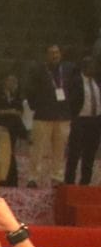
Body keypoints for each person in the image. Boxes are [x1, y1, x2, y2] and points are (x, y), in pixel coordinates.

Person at [26, 44, 79, 188]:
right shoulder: (38, 70)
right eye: (51, 53)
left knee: (60, 149)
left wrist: (69, 108)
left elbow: (75, 90)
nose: (55, 55)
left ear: (61, 54)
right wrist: (36, 105)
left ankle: (57, 176)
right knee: (38, 148)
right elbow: (30, 90)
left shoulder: (68, 70)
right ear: (46, 55)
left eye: (57, 52)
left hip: (63, 115)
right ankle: (33, 177)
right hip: (43, 114)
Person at [0, 74, 27, 187]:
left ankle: (11, 179)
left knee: (10, 151)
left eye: (15, 82)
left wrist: (13, 112)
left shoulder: (17, 97)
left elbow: (20, 111)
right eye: (11, 81)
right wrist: (10, 111)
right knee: (1, 151)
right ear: (5, 82)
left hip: (13, 127)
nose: (13, 84)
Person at [65, 57, 101, 186]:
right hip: (80, 120)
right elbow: (70, 100)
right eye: (91, 66)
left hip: (95, 121)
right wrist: (73, 116)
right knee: (74, 152)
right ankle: (69, 182)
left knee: (90, 153)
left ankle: (85, 182)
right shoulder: (76, 81)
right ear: (84, 67)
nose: (94, 69)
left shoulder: (97, 82)